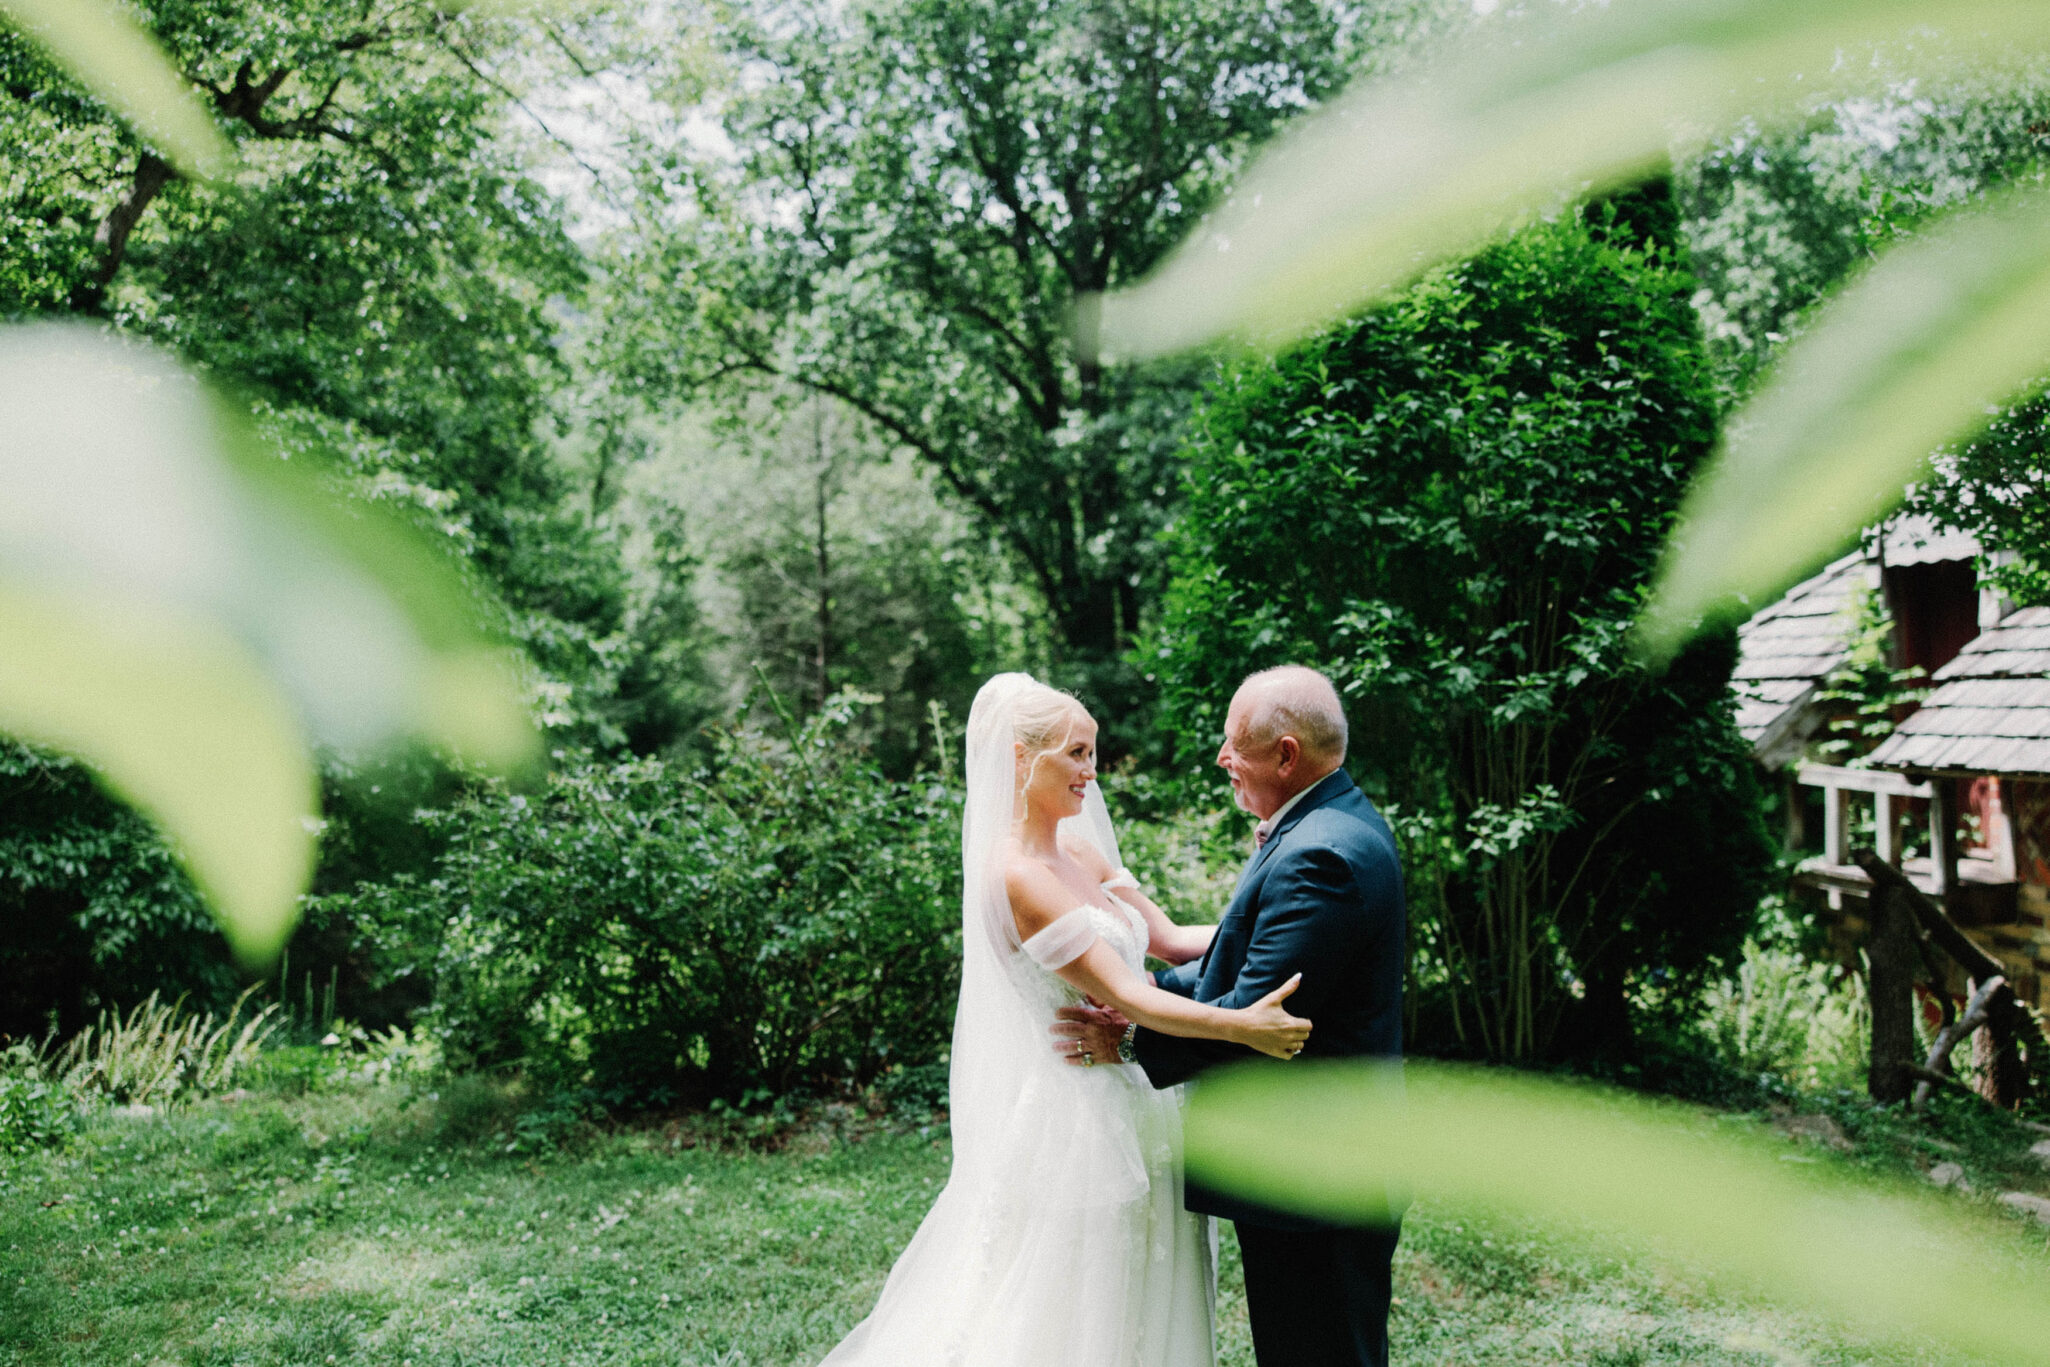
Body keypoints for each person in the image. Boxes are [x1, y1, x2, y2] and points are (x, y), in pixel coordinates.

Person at [817, 672, 1312, 1367]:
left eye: (1093, 754)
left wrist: (1285, 923)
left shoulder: (1078, 851)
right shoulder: (1018, 877)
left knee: (1148, 1283)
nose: (1091, 772)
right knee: (1078, 1300)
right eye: (1076, 754)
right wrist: (1241, 1025)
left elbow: (1167, 942)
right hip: (1076, 1115)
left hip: (1139, 1097)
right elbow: (1131, 996)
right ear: (1022, 759)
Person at [1054, 665, 1407, 1367]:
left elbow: (1256, 1013)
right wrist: (1142, 985)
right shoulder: (1325, 824)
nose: (1220, 758)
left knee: (1321, 1350)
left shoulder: (1321, 856)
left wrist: (1128, 1035)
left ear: (1285, 753)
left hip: (1314, 1168)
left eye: (1232, 743)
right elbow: (1244, 964)